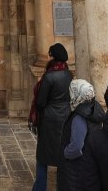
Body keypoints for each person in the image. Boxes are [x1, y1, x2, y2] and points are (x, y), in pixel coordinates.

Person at [30, 43, 73, 191]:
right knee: (62, 152)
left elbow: (41, 101)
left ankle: (40, 188)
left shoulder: (49, 76)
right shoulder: (68, 74)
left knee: (42, 155)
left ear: (53, 56)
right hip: (66, 115)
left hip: (50, 118)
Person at [58, 78, 105, 191]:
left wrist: (65, 153)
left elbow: (76, 146)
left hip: (76, 168)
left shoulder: (79, 117)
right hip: (89, 163)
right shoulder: (94, 108)